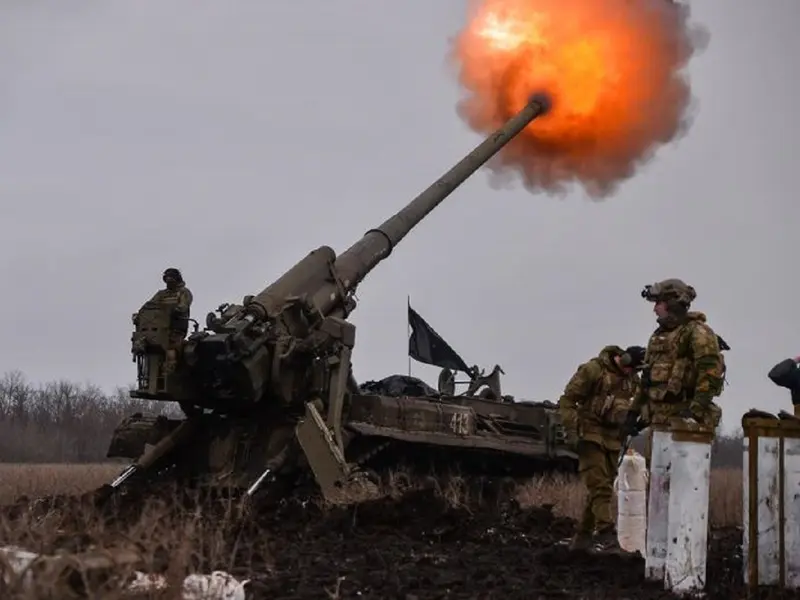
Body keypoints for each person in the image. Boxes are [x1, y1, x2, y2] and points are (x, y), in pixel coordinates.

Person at [623, 279, 726, 464]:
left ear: (672, 304)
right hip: (659, 423)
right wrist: (633, 413)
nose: (655, 309)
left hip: (684, 426)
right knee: (657, 482)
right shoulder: (659, 335)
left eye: (658, 303)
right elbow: (647, 379)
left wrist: (693, 412)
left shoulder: (697, 332)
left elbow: (710, 375)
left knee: (682, 484)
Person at [558, 344, 646, 552]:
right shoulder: (592, 371)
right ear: (622, 359)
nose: (630, 372)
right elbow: (567, 400)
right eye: (630, 367)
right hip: (589, 434)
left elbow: (634, 406)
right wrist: (571, 431)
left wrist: (634, 423)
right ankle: (606, 531)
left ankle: (583, 537)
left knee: (602, 486)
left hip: (613, 438)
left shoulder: (632, 380)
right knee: (600, 486)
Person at [136, 267, 193, 373]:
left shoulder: (183, 292)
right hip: (160, 328)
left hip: (176, 327)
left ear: (177, 278)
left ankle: (169, 373)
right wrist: (140, 314)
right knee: (149, 347)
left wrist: (175, 311)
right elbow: (150, 305)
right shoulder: (161, 294)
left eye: (172, 277)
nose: (169, 280)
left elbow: (183, 306)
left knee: (172, 351)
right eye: (167, 278)